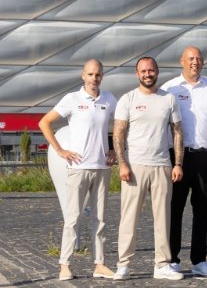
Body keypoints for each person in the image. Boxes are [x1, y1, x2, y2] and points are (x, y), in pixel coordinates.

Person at [38, 59, 117, 281]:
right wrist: (60, 150)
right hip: (78, 168)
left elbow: (123, 123)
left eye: (98, 74)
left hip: (102, 168)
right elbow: (44, 122)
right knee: (73, 218)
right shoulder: (72, 99)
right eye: (90, 74)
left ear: (102, 76)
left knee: (100, 219)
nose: (94, 78)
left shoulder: (109, 99)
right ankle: (65, 265)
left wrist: (115, 150)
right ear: (83, 75)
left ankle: (99, 264)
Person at [112, 57, 184, 281]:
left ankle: (161, 264)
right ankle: (123, 264)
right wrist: (122, 163)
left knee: (163, 218)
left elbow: (178, 132)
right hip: (135, 167)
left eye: (151, 70)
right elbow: (118, 133)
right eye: (143, 71)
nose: (147, 74)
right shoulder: (128, 99)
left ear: (157, 72)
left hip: (162, 165)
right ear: (137, 74)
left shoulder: (169, 99)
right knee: (129, 218)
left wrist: (178, 164)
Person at [161, 46, 207, 277]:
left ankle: (199, 260)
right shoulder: (170, 88)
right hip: (178, 157)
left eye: (199, 59)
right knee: (174, 209)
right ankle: (172, 258)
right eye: (191, 59)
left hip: (205, 156)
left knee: (202, 209)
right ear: (181, 62)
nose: (195, 62)